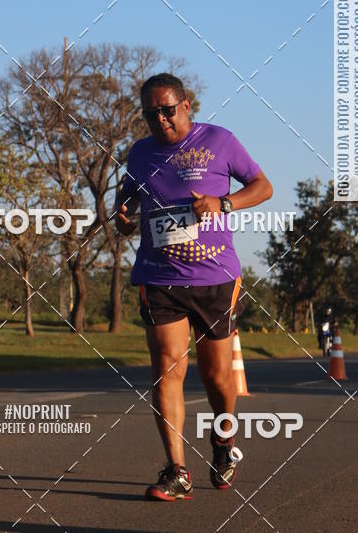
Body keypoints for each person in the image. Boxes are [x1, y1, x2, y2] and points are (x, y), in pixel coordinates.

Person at [115, 73, 273, 501]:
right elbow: (127, 200)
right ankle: (176, 470)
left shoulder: (220, 140)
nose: (160, 120)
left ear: (187, 106)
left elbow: (263, 187)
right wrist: (123, 216)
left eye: (167, 110)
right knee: (167, 367)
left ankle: (223, 444)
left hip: (214, 277)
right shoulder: (140, 152)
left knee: (217, 378)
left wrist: (223, 203)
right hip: (159, 276)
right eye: (151, 114)